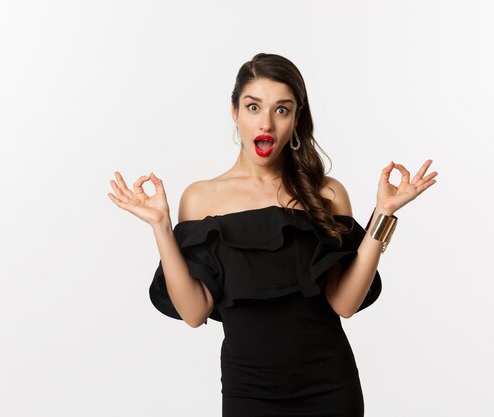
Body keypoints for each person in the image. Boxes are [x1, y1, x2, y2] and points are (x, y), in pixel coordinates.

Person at [107, 52, 437, 417]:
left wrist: (383, 215)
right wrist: (161, 227)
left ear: (297, 118)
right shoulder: (200, 198)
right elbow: (194, 312)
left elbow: (345, 303)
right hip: (248, 392)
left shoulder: (326, 193)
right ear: (234, 112)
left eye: (282, 110)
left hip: (330, 388)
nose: (266, 123)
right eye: (253, 107)